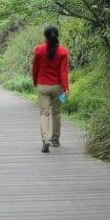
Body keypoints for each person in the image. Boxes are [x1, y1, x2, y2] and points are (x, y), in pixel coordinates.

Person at [31, 25, 70, 153]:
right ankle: (55, 139)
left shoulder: (38, 50)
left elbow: (35, 68)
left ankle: (45, 139)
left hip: (43, 86)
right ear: (57, 35)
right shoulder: (63, 52)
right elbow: (63, 71)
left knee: (44, 113)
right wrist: (66, 88)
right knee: (56, 113)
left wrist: (35, 81)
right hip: (58, 87)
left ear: (45, 36)